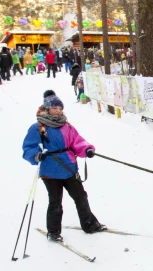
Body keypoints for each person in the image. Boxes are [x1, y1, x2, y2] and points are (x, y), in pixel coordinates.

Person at [22, 90, 106, 242]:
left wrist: (86, 149)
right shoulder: (38, 127)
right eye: (55, 108)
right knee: (55, 201)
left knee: (81, 196)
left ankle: (90, 224)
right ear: (47, 109)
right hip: (50, 170)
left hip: (69, 167)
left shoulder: (67, 126)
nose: (58, 111)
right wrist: (36, 155)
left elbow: (77, 141)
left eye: (60, 108)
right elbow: (28, 147)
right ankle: (53, 232)